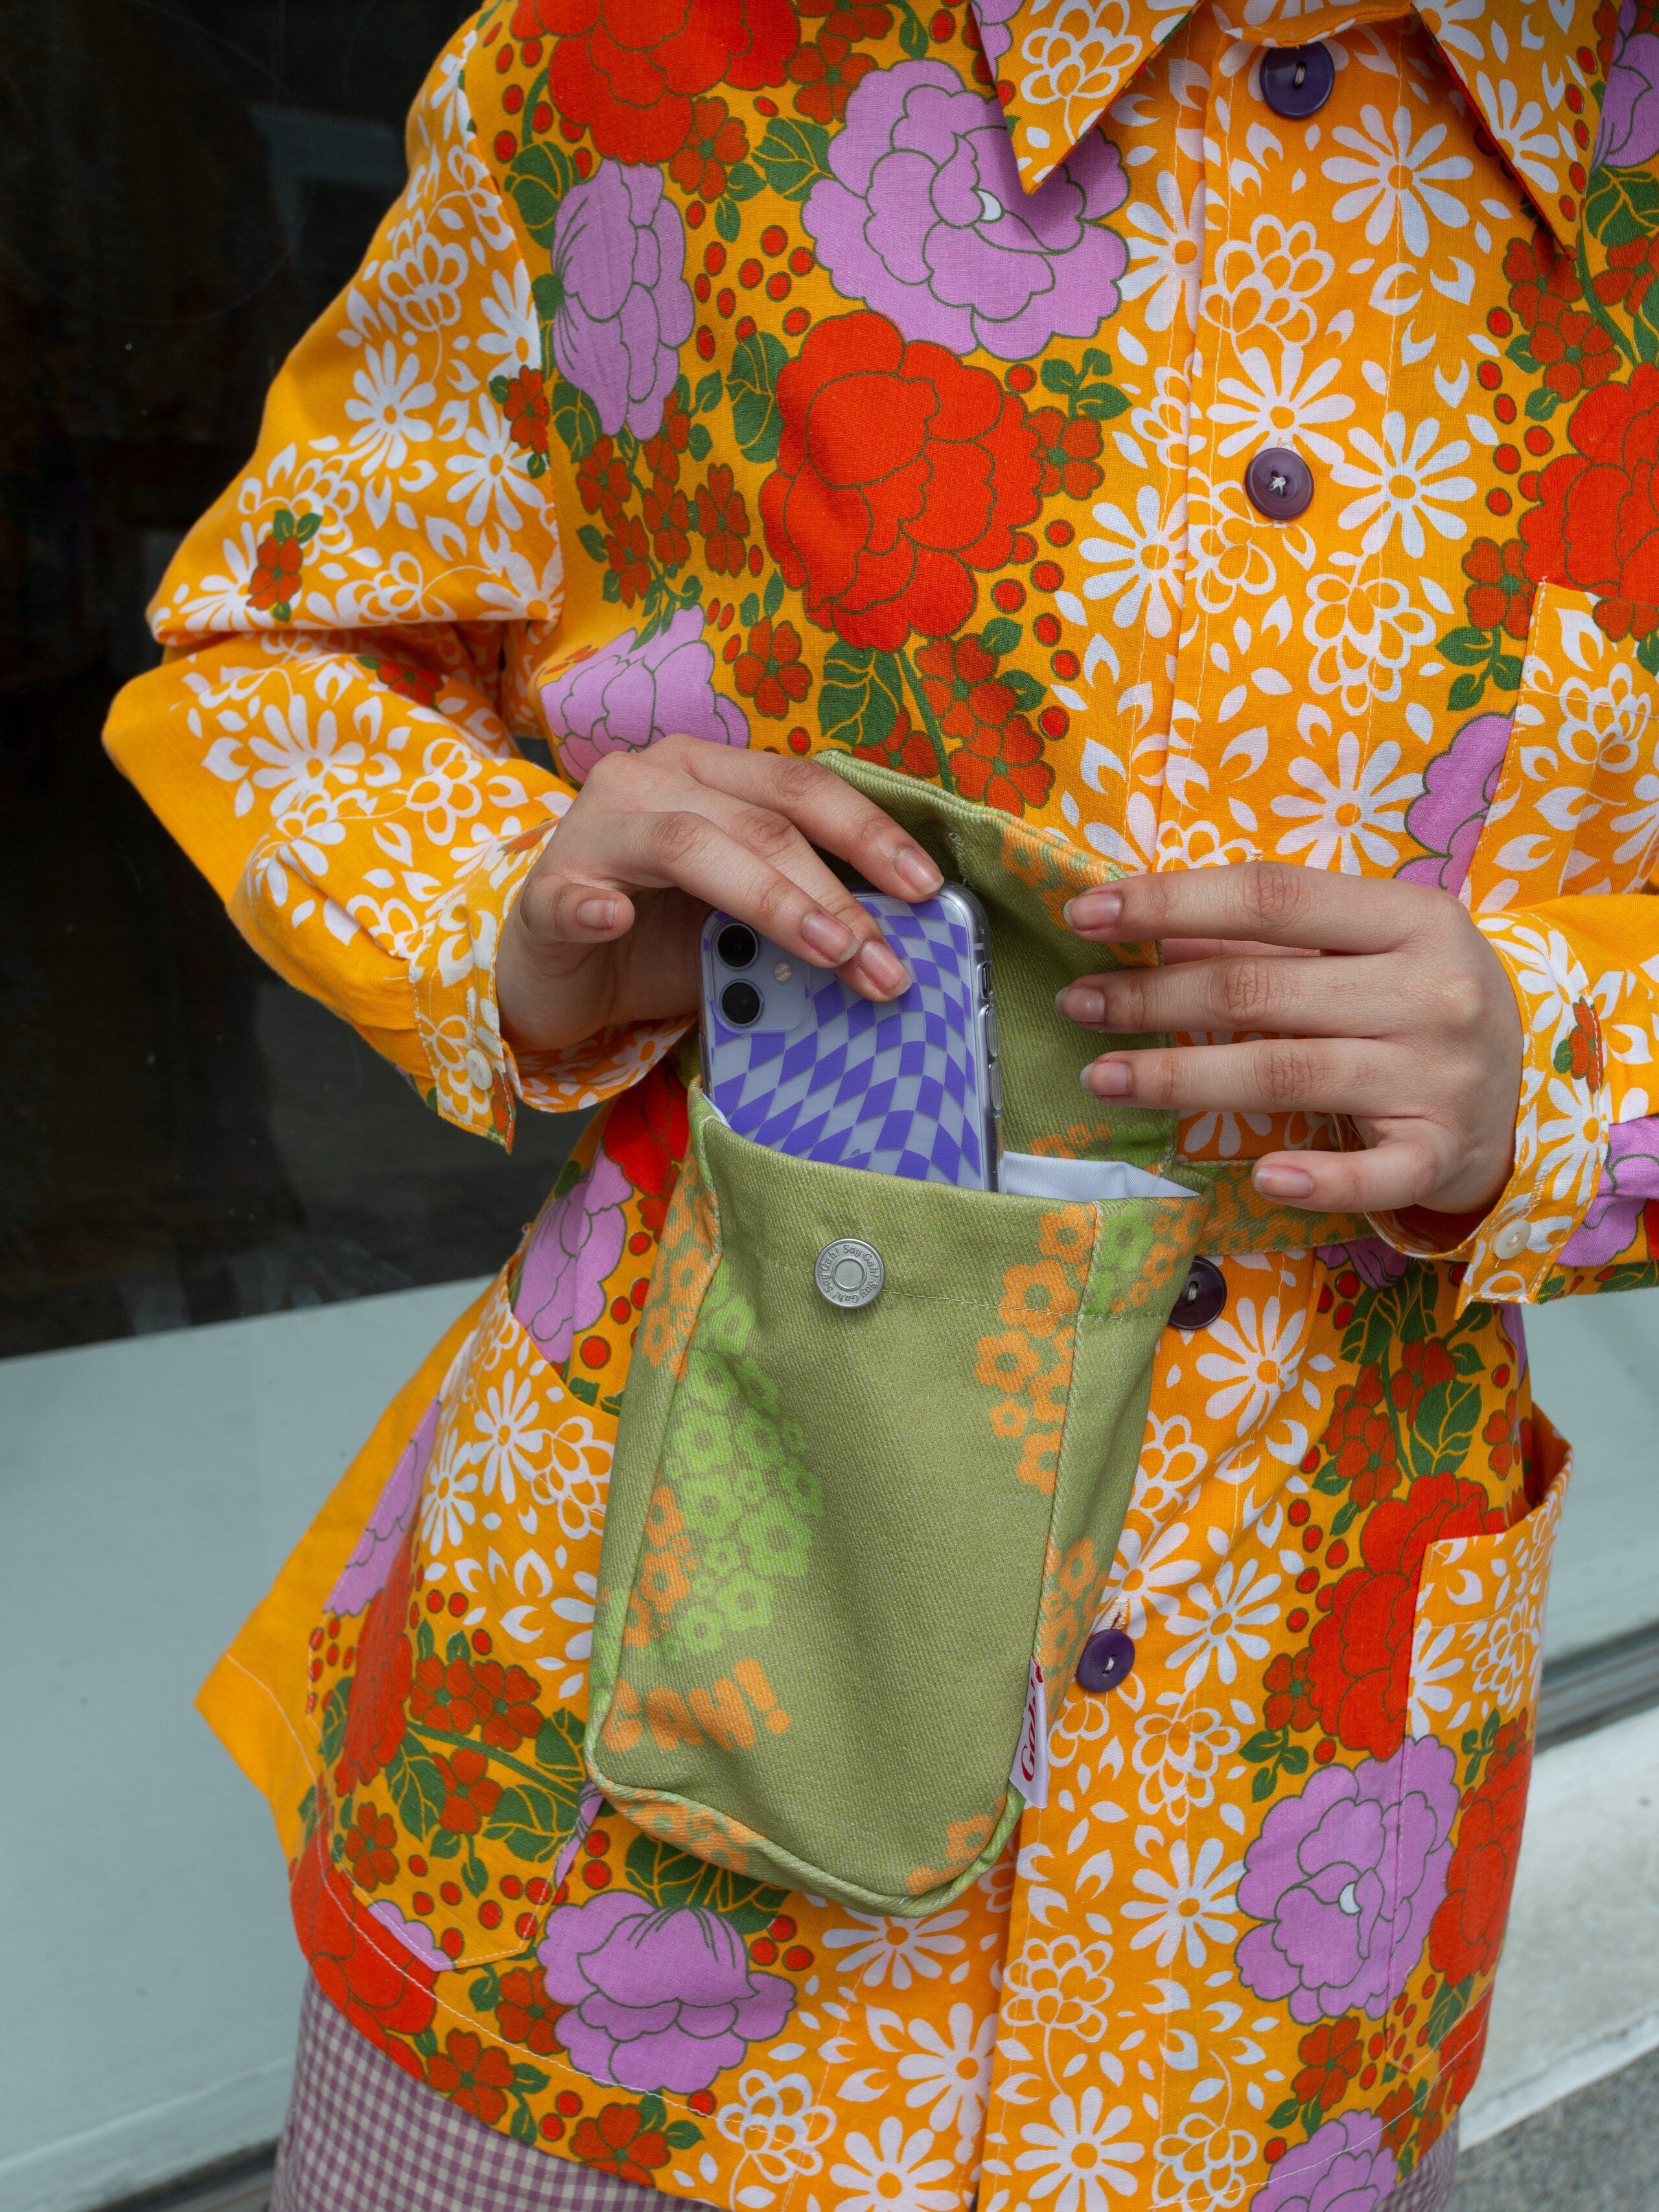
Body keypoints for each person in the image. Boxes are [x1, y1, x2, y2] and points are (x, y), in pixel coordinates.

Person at [105, 5, 1659, 2209]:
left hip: (1281, 1875)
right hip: (610, 1860)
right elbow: (280, 642)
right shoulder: (641, 61)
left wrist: (1569, 1062)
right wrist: (519, 905)